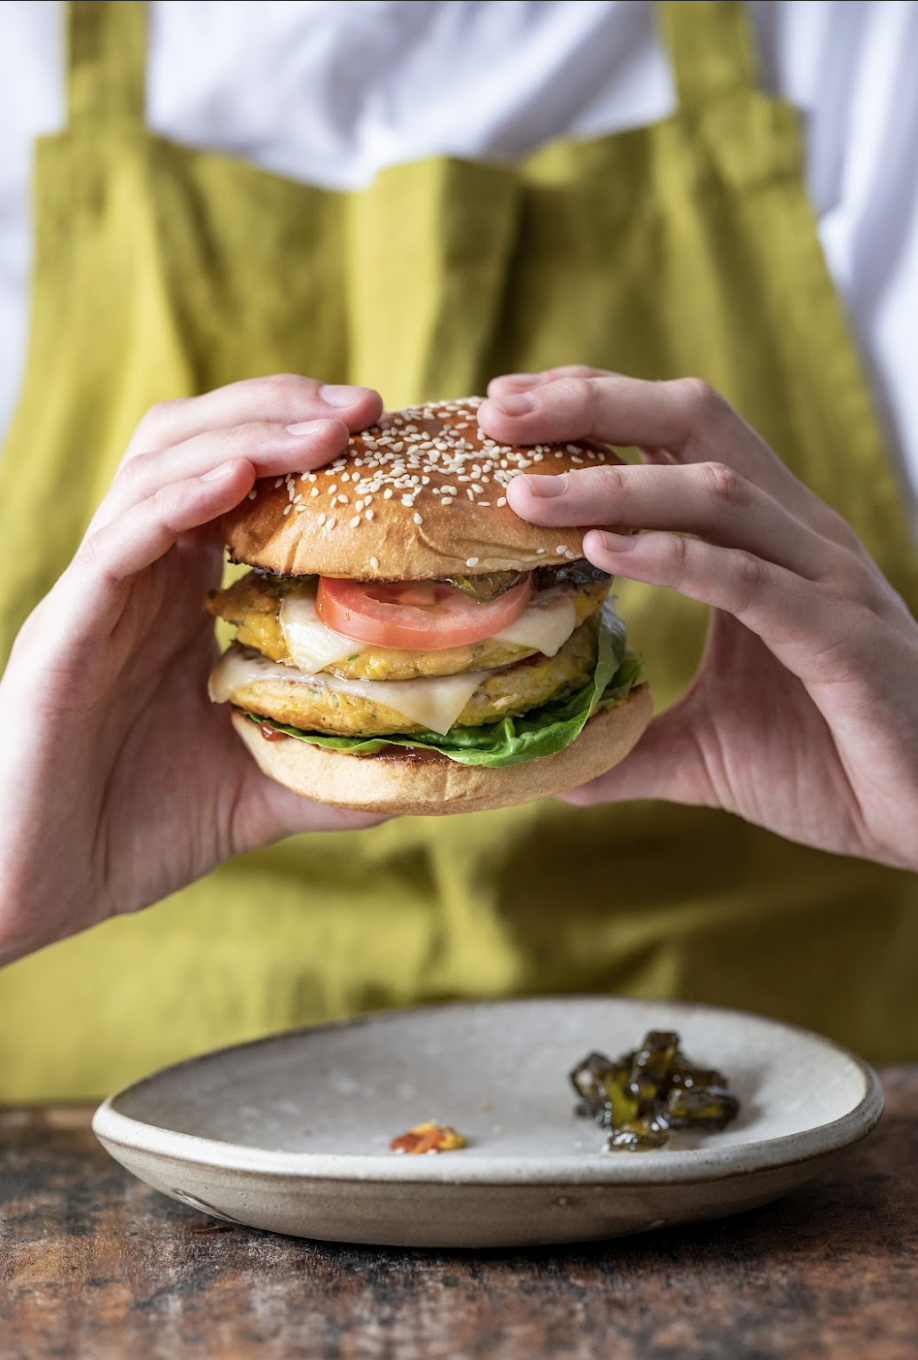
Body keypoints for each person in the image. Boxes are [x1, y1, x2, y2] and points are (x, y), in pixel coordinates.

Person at [0, 0, 916, 1099]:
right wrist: (14, 893)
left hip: (789, 1094)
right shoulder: (24, 62)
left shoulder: (858, 48)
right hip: (125, 1110)